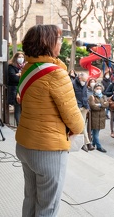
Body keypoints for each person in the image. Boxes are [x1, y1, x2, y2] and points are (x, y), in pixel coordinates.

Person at [15, 24, 84, 217]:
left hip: (25, 144)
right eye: (59, 39)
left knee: (30, 198)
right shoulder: (56, 74)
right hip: (48, 150)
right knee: (48, 207)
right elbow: (76, 122)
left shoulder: (27, 68)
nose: (61, 43)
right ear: (47, 43)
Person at [72, 72, 94, 152]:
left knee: (83, 125)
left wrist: (87, 107)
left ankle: (84, 143)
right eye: (84, 80)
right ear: (80, 78)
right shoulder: (73, 84)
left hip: (84, 107)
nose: (85, 82)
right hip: (77, 107)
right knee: (82, 125)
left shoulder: (84, 84)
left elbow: (85, 96)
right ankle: (87, 143)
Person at [88, 83, 108, 152]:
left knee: (97, 132)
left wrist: (99, 105)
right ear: (94, 89)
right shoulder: (92, 97)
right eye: (97, 89)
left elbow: (107, 104)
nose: (98, 90)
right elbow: (93, 106)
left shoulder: (104, 96)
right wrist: (102, 106)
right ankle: (99, 147)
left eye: (100, 89)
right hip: (94, 117)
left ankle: (93, 144)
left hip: (101, 117)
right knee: (95, 133)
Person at [7, 51, 26, 126]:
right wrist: (21, 75)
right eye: (19, 57)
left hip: (23, 89)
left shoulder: (25, 66)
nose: (21, 58)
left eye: (22, 57)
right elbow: (13, 78)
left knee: (24, 108)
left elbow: (27, 77)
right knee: (17, 108)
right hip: (15, 89)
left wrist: (19, 75)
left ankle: (23, 124)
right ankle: (19, 125)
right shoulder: (11, 66)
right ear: (15, 58)